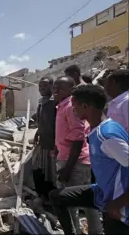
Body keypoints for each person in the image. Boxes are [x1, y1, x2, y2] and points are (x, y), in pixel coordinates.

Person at [50, 84, 129, 234]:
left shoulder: (106, 136)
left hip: (118, 202)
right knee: (57, 197)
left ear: (85, 106)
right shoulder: (98, 129)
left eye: (75, 107)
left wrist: (119, 203)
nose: (73, 111)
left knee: (112, 225)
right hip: (102, 192)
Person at [52, 76, 102, 234]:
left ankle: (90, 231)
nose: (55, 89)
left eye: (60, 87)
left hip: (75, 162)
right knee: (76, 202)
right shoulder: (62, 106)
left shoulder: (71, 107)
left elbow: (79, 138)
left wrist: (67, 168)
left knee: (81, 202)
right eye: (55, 86)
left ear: (70, 90)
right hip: (66, 158)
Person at [32, 76, 57, 201]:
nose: (42, 88)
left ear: (52, 86)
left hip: (53, 143)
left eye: (45, 85)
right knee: (41, 168)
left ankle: (53, 196)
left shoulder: (55, 102)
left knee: (52, 171)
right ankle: (45, 194)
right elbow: (42, 120)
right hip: (43, 141)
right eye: (40, 86)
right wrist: (37, 132)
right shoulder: (42, 101)